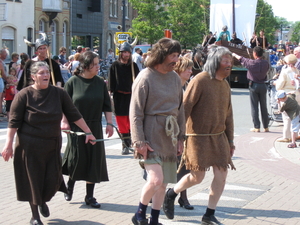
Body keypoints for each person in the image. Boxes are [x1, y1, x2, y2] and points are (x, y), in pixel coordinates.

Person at [1, 61, 96, 225]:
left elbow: (73, 113)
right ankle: (35, 216)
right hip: (29, 146)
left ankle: (43, 200)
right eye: (41, 73)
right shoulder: (23, 95)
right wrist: (8, 145)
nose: (45, 75)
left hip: (52, 145)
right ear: (33, 77)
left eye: (46, 72)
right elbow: (13, 122)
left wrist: (88, 132)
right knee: (33, 180)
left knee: (52, 179)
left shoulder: (58, 93)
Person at [162, 46, 235, 225]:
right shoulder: (200, 80)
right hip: (197, 137)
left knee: (221, 175)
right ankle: (171, 194)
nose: (229, 65)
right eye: (226, 61)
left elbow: (229, 115)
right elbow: (184, 108)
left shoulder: (225, 84)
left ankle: (209, 214)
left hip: (219, 138)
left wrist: (231, 140)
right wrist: (179, 136)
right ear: (215, 61)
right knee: (197, 177)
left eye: (230, 62)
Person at [130, 37, 185, 225]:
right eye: (172, 55)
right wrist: (139, 141)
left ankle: (153, 219)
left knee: (163, 184)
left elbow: (180, 110)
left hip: (169, 137)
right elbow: (135, 113)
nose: (176, 60)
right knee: (155, 180)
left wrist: (180, 139)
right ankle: (139, 214)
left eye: (177, 55)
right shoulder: (145, 76)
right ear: (161, 55)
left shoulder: (175, 78)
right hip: (150, 136)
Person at [61, 51, 114, 208]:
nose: (98, 67)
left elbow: (107, 105)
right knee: (76, 158)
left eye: (98, 63)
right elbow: (64, 105)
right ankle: (70, 186)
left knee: (93, 160)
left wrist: (110, 123)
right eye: (95, 64)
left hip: (95, 125)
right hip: (76, 127)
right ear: (85, 66)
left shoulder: (100, 83)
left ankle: (89, 196)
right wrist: (64, 121)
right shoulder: (72, 82)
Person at [108, 40, 139, 155]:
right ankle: (124, 145)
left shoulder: (133, 66)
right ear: (120, 53)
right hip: (119, 98)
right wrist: (109, 97)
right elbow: (110, 83)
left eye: (128, 52)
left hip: (131, 97)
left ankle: (132, 143)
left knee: (132, 122)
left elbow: (138, 82)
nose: (126, 55)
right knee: (121, 123)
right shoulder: (114, 66)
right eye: (124, 52)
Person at [232, 46, 270, 132]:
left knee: (254, 107)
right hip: (263, 85)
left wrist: (234, 54)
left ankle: (257, 127)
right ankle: (266, 126)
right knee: (264, 106)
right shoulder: (266, 63)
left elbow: (242, 59)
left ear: (255, 54)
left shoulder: (251, 63)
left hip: (254, 85)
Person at [173, 57, 194, 210]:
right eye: (187, 68)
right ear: (179, 70)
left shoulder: (186, 86)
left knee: (184, 164)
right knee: (168, 164)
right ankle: (157, 194)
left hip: (183, 130)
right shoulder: (173, 85)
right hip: (170, 130)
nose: (190, 71)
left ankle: (183, 197)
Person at [275, 54, 300, 142]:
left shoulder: (285, 72)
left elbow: (279, 86)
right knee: (295, 116)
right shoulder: (297, 71)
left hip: (287, 96)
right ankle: (295, 135)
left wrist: (276, 84)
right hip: (297, 95)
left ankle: (286, 136)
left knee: (286, 117)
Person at [0, 49, 8, 117]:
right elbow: (3, 73)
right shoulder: (0, 62)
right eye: (5, 53)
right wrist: (7, 80)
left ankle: (1, 111)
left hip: (2, 80)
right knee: (0, 98)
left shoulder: (2, 62)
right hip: (1, 80)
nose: (6, 55)